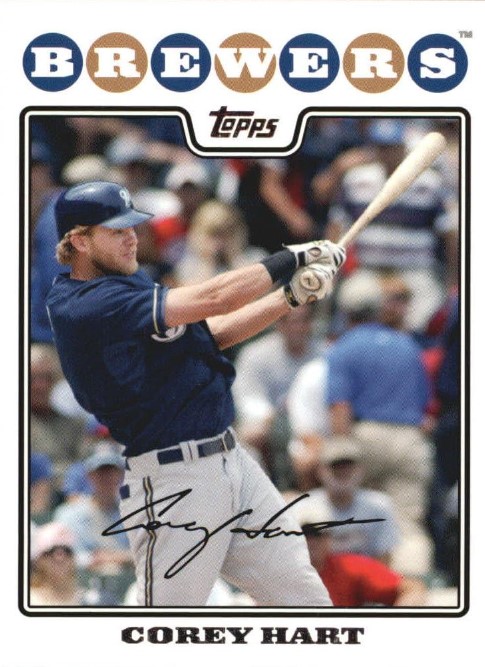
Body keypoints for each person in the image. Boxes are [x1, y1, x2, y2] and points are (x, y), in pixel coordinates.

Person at [45, 179, 346, 607]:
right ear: (79, 241)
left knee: (303, 600)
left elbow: (212, 333)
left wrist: (289, 297)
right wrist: (291, 258)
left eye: (132, 226)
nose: (132, 237)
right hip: (174, 477)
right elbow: (216, 297)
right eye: (116, 230)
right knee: (168, 623)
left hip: (232, 460)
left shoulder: (129, 283)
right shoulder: (85, 304)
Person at [325, 272, 435, 577]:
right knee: (408, 523)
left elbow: (340, 407)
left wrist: (341, 453)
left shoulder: (343, 348)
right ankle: (412, 589)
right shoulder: (408, 346)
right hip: (409, 439)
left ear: (345, 311)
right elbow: (424, 405)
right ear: (377, 307)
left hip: (366, 436)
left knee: (363, 517)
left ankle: (364, 584)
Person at [293, 495, 427, 608]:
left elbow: (412, 588)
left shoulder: (347, 567)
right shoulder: (283, 572)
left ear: (329, 538)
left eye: (317, 533)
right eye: (304, 533)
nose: (311, 541)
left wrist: (395, 622)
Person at [304, 436, 400, 564]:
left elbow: (384, 558)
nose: (343, 471)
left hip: (366, 573)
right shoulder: (304, 507)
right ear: (320, 471)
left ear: (361, 469)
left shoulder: (380, 506)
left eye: (348, 466)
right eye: (336, 466)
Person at [30, 522, 118, 606]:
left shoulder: (89, 599)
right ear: (38, 559)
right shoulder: (29, 599)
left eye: (66, 550)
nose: (60, 557)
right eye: (51, 551)